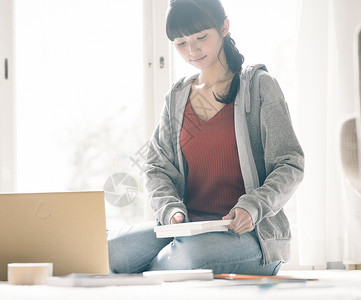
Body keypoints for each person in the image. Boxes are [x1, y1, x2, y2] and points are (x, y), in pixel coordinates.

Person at [107, 0, 304, 275]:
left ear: (224, 27)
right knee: (113, 249)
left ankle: (152, 274)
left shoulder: (259, 87)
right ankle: (162, 270)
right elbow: (156, 167)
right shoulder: (177, 98)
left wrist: (253, 207)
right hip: (189, 228)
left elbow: (290, 163)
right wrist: (171, 212)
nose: (192, 50)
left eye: (201, 37)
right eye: (181, 43)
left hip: (250, 235)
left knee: (189, 257)